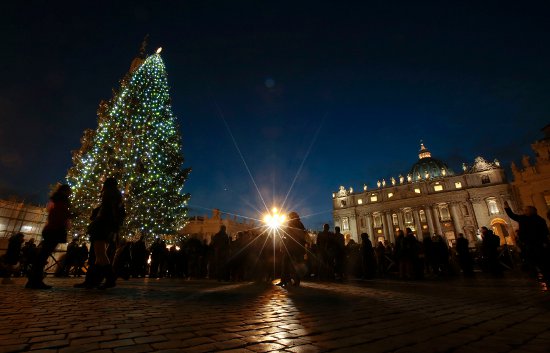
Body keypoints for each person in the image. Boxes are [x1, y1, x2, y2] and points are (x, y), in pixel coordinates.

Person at [80, 177, 125, 289]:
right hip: (107, 227)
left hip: (101, 226)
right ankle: (92, 280)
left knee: (100, 254)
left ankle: (110, 279)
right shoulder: (117, 196)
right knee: (98, 257)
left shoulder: (109, 194)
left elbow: (107, 212)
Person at [26, 184, 72, 289]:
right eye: (69, 191)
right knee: (43, 256)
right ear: (65, 191)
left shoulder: (55, 199)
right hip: (54, 230)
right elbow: (60, 214)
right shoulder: (62, 200)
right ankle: (35, 280)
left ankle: (33, 280)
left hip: (51, 229)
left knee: (43, 255)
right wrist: (67, 219)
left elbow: (53, 212)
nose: (70, 193)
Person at [504, 201, 550, 282]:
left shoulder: (539, 220)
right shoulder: (523, 218)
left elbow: (544, 232)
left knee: (541, 260)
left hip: (537, 243)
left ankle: (545, 274)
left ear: (531, 211)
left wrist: (544, 242)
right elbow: (512, 215)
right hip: (527, 243)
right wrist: (507, 208)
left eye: (526, 210)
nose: (524, 211)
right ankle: (535, 274)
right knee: (531, 259)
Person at [278, 212, 307, 287]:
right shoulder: (301, 224)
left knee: (286, 264)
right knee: (296, 265)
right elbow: (303, 236)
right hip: (298, 247)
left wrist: (283, 239)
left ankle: (285, 280)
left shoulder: (291, 223)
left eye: (289, 216)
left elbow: (286, 234)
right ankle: (295, 281)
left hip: (290, 247)